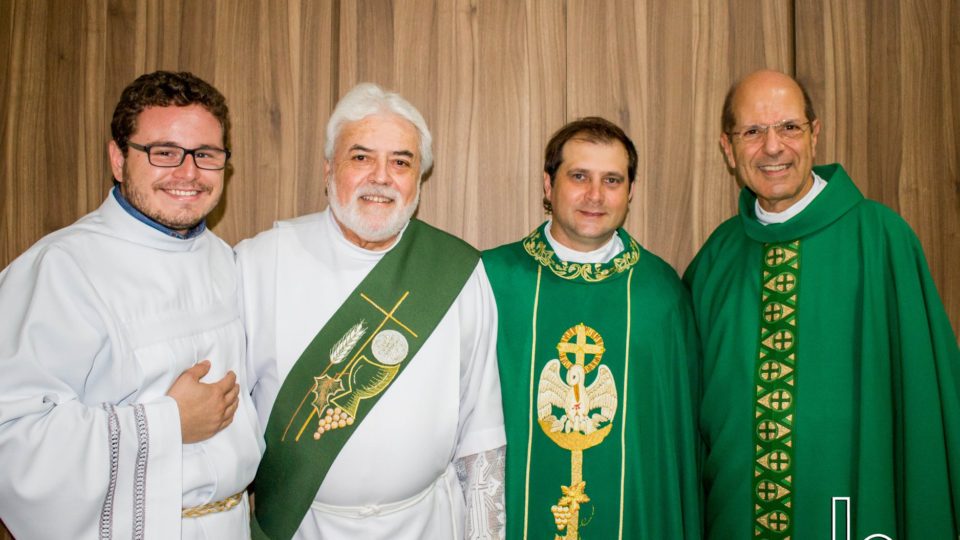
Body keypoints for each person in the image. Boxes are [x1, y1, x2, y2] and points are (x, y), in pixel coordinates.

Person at [684, 69, 960, 539]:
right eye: (752, 131)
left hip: (852, 511)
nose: (773, 147)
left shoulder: (881, 240)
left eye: (789, 127)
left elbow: (924, 403)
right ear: (728, 149)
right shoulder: (716, 259)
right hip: (735, 517)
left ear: (815, 133)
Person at [237, 83, 505, 539]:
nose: (381, 177)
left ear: (419, 178)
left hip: (428, 525)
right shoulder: (261, 262)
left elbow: (481, 430)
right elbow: (230, 420)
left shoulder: (458, 271)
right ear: (328, 168)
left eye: (401, 162)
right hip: (302, 525)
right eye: (361, 157)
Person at [0, 71, 262, 538]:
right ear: (118, 159)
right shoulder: (61, 268)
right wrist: (168, 424)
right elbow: (13, 439)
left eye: (206, 155)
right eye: (163, 152)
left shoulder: (224, 260)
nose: (188, 173)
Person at [482, 117, 702, 539]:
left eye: (612, 180)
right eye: (579, 176)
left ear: (630, 192)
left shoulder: (660, 293)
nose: (595, 195)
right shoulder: (493, 281)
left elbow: (673, 441)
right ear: (549, 185)